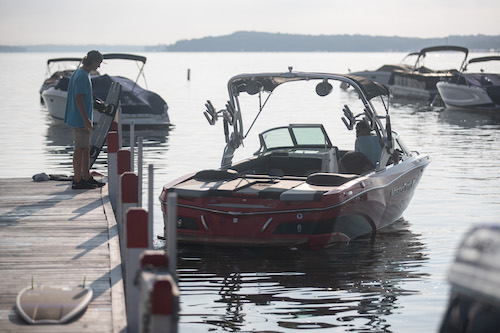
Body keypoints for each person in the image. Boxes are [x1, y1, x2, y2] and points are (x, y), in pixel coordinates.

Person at [64, 50, 105, 189]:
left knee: (86, 149)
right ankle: (77, 180)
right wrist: (86, 119)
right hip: (79, 119)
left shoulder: (80, 73)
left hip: (81, 118)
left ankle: (86, 177)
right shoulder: (81, 75)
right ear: (92, 61)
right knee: (80, 149)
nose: (99, 66)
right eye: (98, 63)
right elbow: (78, 98)